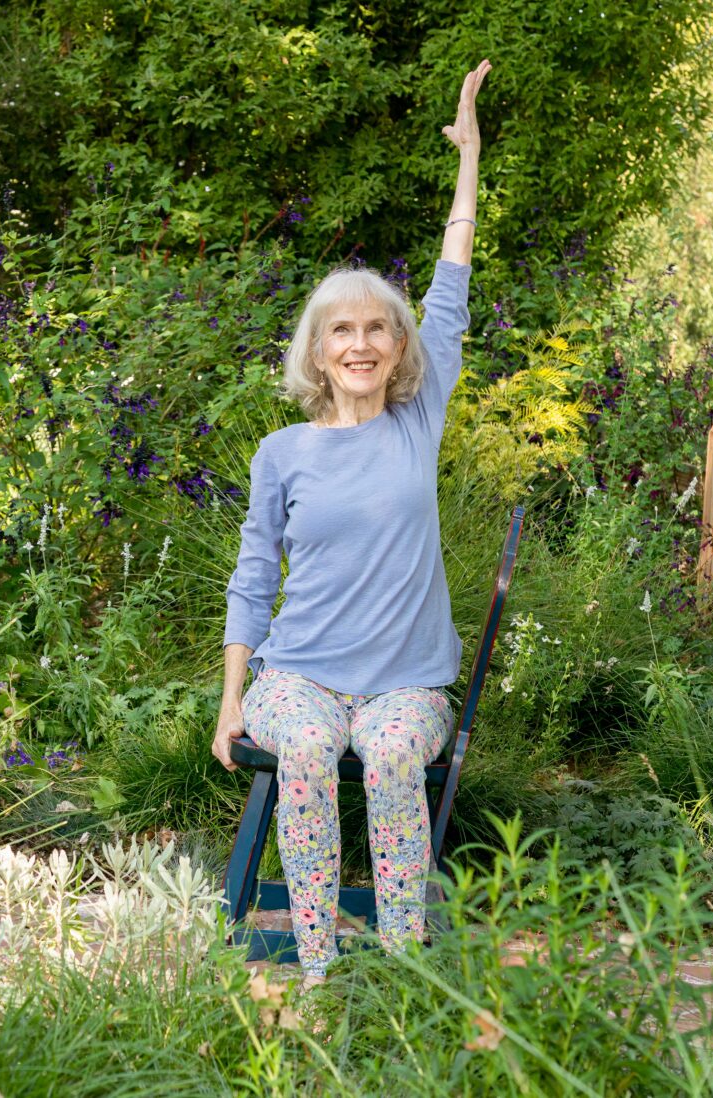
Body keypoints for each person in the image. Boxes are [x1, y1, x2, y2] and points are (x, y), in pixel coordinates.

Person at [212, 59, 491, 988]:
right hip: (299, 678)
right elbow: (253, 581)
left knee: (388, 752)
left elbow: (451, 278)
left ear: (400, 346)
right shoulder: (281, 452)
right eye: (342, 331)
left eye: (378, 328)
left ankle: (408, 965)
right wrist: (231, 697)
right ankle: (322, 967)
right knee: (306, 742)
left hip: (407, 684)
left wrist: (469, 158)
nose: (362, 343)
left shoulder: (418, 419)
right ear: (318, 352)